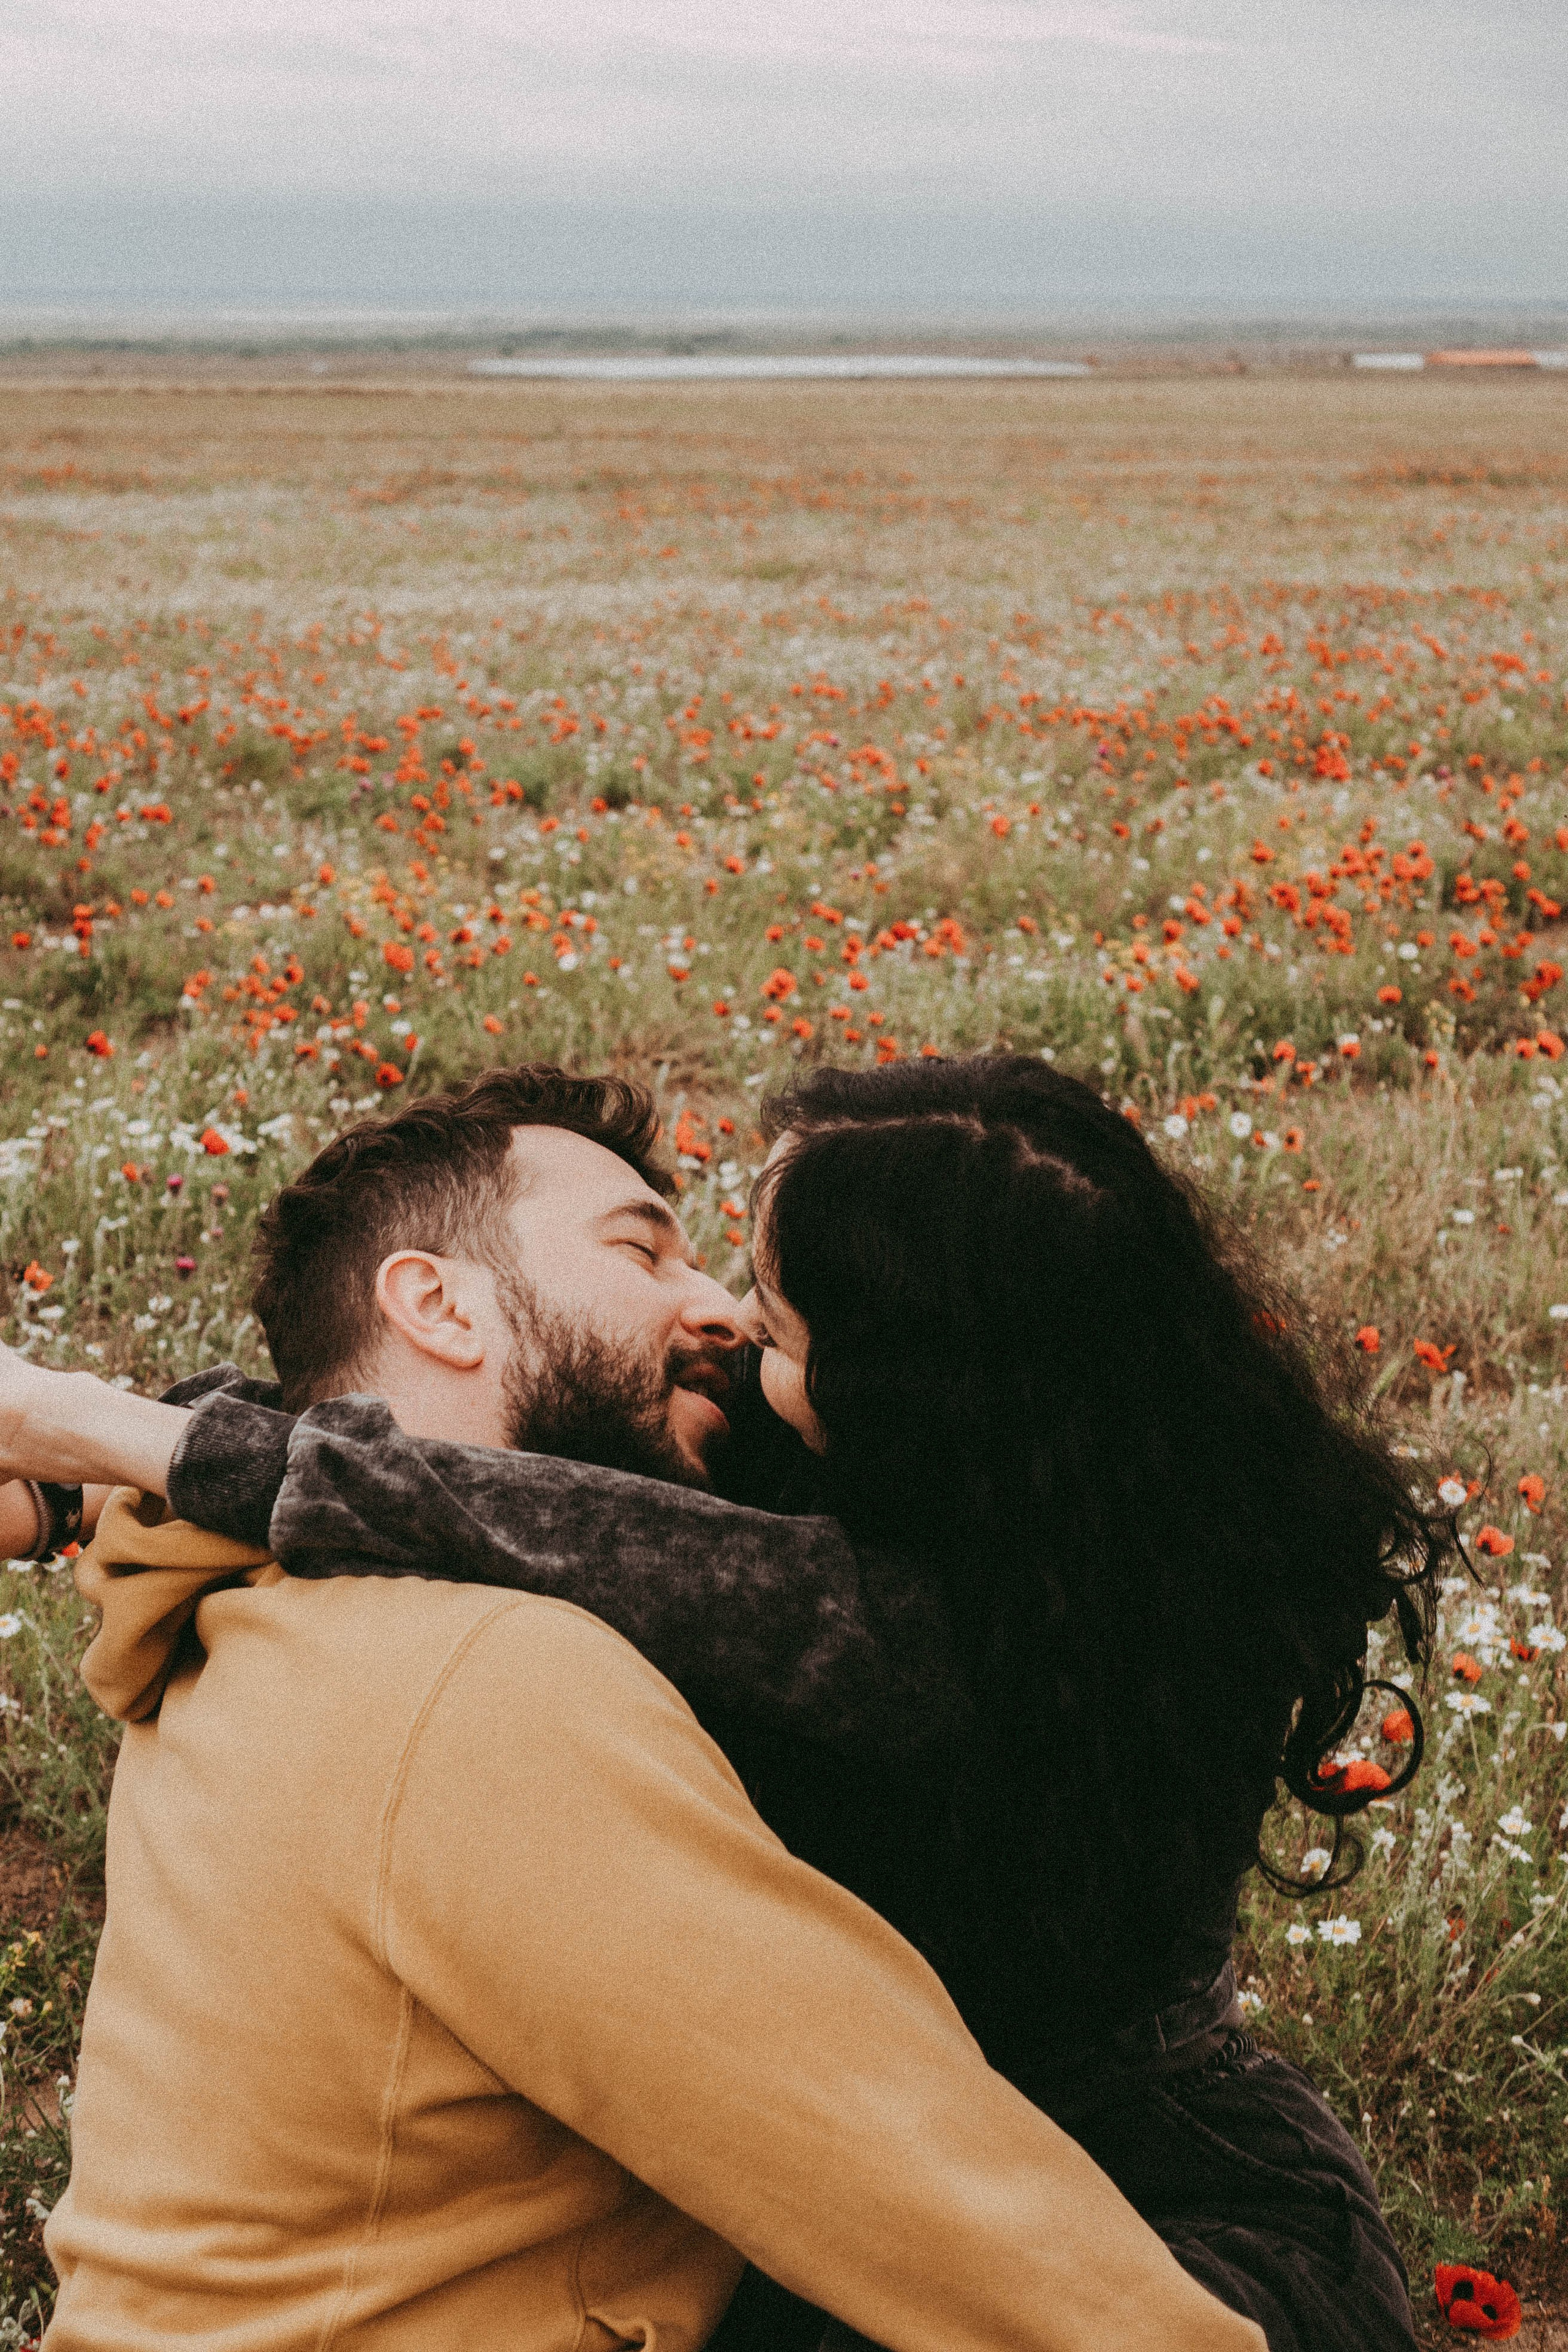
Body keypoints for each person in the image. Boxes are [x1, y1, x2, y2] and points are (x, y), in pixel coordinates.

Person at [0, 1067, 1263, 2352]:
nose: (720, 1312)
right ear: (435, 1302)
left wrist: (85, 1472)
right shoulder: (486, 1683)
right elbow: (891, 2164)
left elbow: (529, 1515)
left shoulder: (264, 1590)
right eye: (642, 1248)